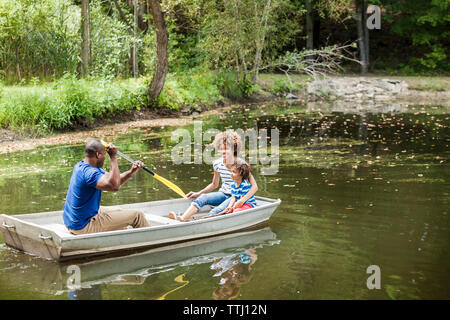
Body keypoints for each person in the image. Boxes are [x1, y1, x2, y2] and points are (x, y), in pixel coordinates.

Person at [63, 139, 150, 235]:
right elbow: (114, 186)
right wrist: (113, 157)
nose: (105, 158)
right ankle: (151, 240)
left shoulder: (82, 166)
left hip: (73, 221)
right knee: (137, 215)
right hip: (83, 226)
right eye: (104, 154)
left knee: (118, 210)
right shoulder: (91, 174)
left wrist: (131, 172)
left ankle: (119, 234)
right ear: (98, 155)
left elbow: (114, 180)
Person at [168, 130, 258, 222]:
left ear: (234, 149)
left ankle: (197, 222)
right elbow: (214, 184)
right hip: (223, 194)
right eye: (221, 148)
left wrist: (242, 200)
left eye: (226, 148)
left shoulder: (241, 164)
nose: (223, 151)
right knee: (202, 198)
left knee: (218, 209)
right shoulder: (217, 164)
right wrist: (199, 193)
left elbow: (254, 187)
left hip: (235, 196)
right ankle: (183, 218)